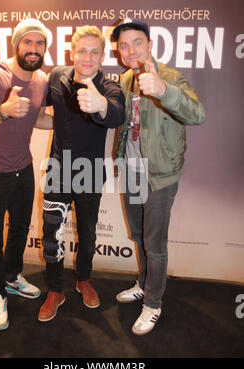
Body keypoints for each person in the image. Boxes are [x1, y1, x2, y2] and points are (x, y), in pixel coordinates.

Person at [112, 19, 206, 335]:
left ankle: (153, 302)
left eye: (136, 42)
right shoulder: (126, 79)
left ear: (150, 44)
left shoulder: (170, 77)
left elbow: (197, 114)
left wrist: (164, 91)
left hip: (160, 176)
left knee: (155, 244)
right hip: (132, 171)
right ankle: (143, 283)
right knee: (138, 236)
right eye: (124, 46)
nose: (130, 50)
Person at [38, 25, 125, 322]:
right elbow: (40, 107)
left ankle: (84, 280)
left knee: (87, 235)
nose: (87, 57)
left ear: (103, 56)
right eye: (82, 51)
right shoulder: (56, 77)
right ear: (72, 52)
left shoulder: (109, 87)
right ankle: (55, 290)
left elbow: (116, 113)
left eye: (94, 52)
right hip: (58, 170)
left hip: (89, 174)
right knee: (52, 235)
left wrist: (99, 104)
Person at [0, 18, 52, 331]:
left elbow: (40, 118)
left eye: (39, 44)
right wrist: (3, 110)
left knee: (19, 229)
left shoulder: (42, 79)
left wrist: (75, 121)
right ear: (16, 45)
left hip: (23, 168)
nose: (33, 49)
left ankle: (12, 277)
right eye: (28, 43)